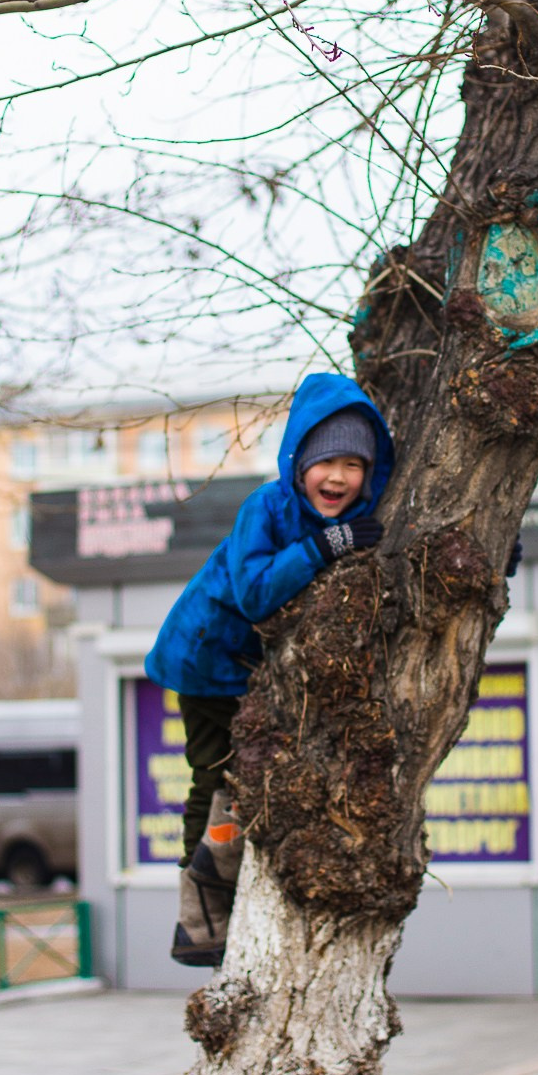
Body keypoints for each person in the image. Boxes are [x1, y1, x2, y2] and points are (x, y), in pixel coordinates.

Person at [144, 373, 394, 967]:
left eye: (354, 465)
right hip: (205, 658)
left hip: (251, 668)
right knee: (218, 777)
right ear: (299, 459)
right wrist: (325, 546)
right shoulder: (268, 506)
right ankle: (197, 919)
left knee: (261, 775)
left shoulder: (352, 515)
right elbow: (255, 592)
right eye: (326, 460)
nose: (338, 478)